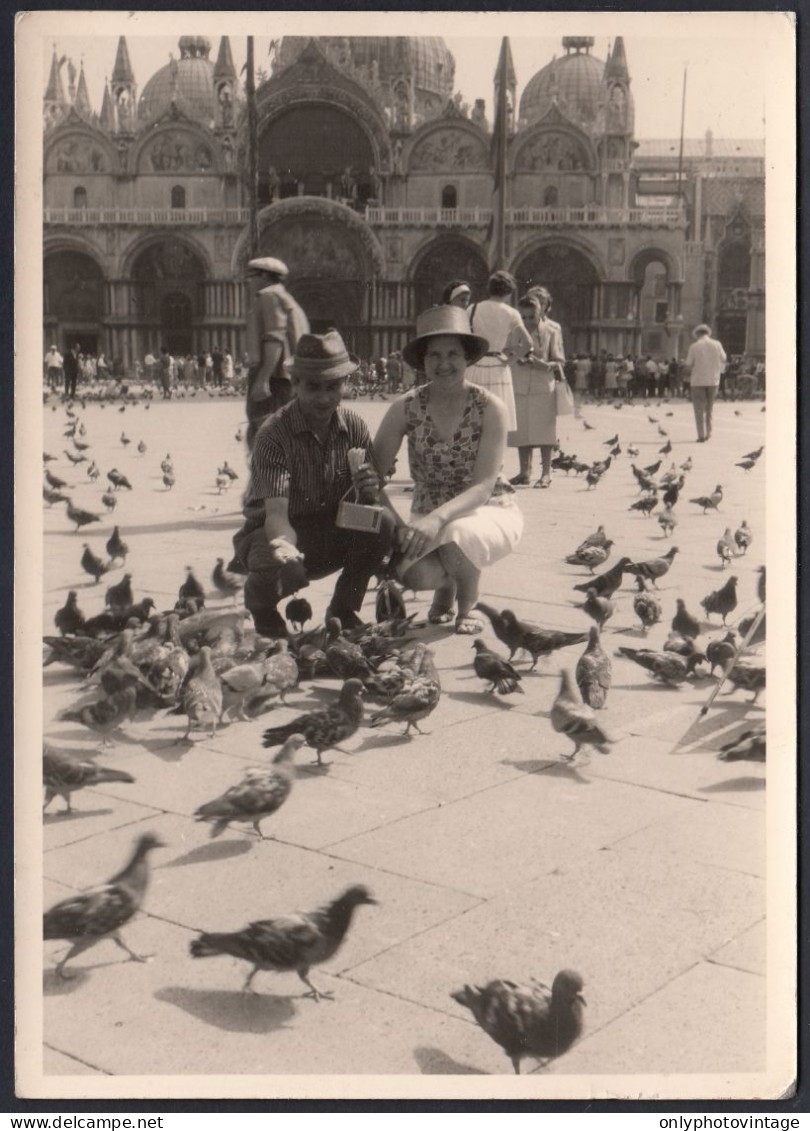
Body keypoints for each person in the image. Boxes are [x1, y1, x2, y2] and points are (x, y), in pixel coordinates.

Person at [231, 329, 395, 639]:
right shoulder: (274, 434)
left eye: (333, 387)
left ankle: (343, 608)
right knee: (274, 558)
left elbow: (370, 501)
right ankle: (261, 603)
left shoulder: (355, 426)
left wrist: (372, 493)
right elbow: (276, 514)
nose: (324, 398)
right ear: (294, 384)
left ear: (344, 385)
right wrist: (287, 551)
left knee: (382, 523)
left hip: (331, 523)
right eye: (313, 387)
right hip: (273, 531)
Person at [371, 304, 524, 635]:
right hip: (427, 515)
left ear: (467, 358)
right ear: (422, 361)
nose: (444, 364)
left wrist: (437, 519)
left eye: (453, 354)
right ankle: (444, 589)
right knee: (412, 574)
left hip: (487, 509)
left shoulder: (490, 407)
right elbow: (373, 478)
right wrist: (398, 526)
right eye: (434, 356)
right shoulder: (404, 408)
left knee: (458, 536)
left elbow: (483, 486)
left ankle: (466, 605)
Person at [244, 256, 310, 449]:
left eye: (252, 276)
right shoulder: (289, 300)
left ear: (264, 276)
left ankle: (267, 478)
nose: (248, 281)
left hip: (274, 380)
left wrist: (262, 379)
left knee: (266, 440)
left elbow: (275, 340)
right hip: (287, 379)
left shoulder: (268, 296)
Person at [508, 290, 566, 489]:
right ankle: (525, 472)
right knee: (523, 430)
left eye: (531, 317)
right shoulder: (515, 330)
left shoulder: (551, 331)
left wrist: (545, 365)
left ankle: (546, 473)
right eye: (523, 317)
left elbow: (559, 360)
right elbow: (507, 353)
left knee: (544, 432)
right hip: (520, 385)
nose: (527, 321)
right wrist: (516, 358)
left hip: (543, 386)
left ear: (540, 313)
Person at [465, 270, 532, 431]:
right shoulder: (511, 313)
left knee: (473, 417)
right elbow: (528, 343)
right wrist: (511, 360)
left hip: (476, 363)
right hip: (498, 366)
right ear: (509, 292)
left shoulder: (472, 308)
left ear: (489, 288)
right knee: (497, 420)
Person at [684, 323, 727, 442]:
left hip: (698, 381)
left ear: (698, 334)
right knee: (709, 408)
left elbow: (688, 365)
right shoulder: (717, 344)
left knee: (699, 409)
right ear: (708, 333)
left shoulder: (694, 346)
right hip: (713, 380)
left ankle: (701, 435)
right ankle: (709, 433)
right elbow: (724, 358)